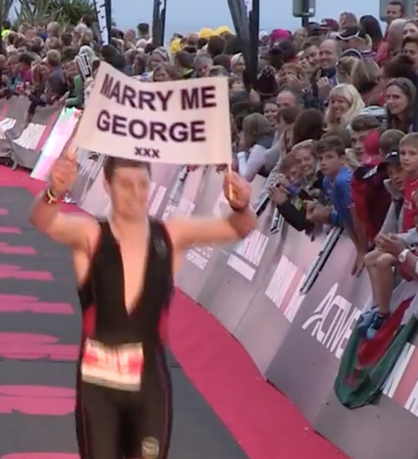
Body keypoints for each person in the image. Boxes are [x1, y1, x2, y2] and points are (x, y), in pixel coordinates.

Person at [30, 153, 257, 459]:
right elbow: (43, 220)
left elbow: (240, 228)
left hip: (150, 387)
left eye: (142, 184)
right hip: (98, 389)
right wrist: (53, 192)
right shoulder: (91, 234)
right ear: (107, 186)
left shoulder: (172, 235)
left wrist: (240, 204)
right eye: (125, 185)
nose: (135, 194)